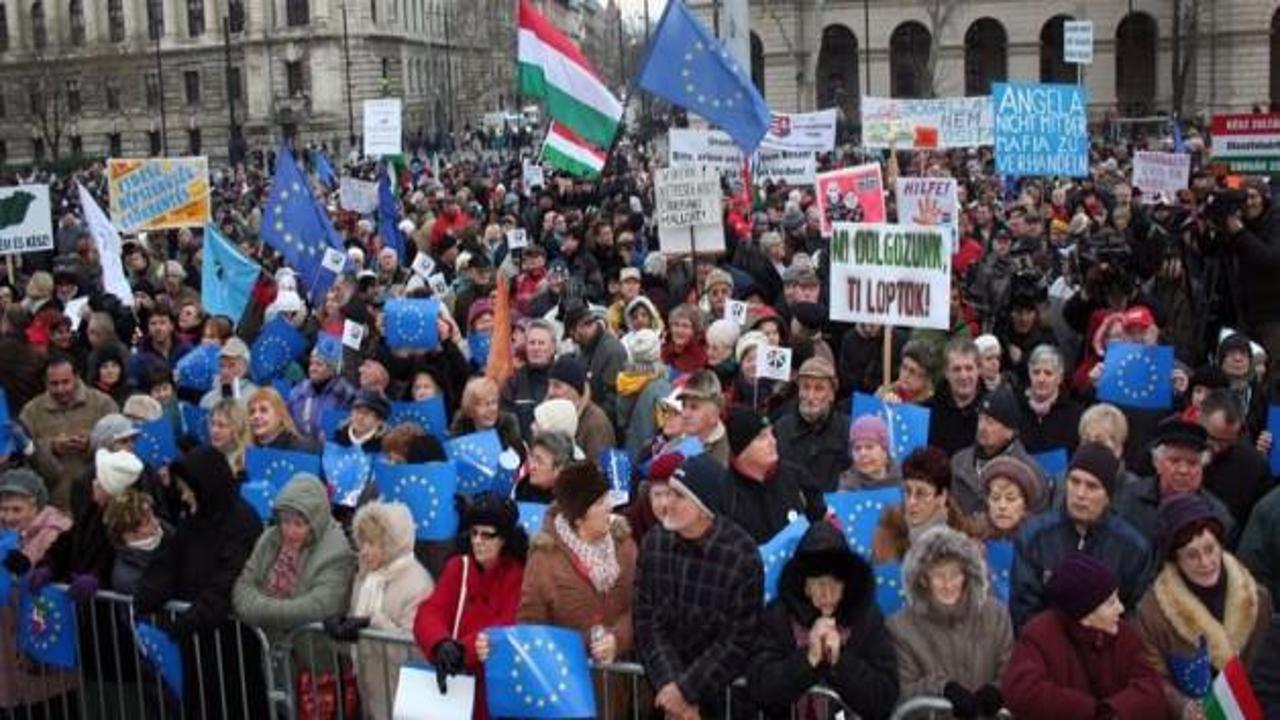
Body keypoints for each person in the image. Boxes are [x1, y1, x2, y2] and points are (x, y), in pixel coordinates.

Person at [135, 447, 263, 719]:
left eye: (187, 489)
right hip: (197, 641)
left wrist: (183, 624)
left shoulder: (241, 521)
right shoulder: (194, 518)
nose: (184, 495)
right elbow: (169, 561)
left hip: (231, 645)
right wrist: (146, 595)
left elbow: (227, 581)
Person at [634, 453, 763, 719]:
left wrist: (687, 691)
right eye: (667, 493)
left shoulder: (742, 555)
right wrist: (672, 690)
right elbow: (646, 621)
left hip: (722, 699)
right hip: (664, 695)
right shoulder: (653, 543)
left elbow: (738, 638)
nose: (666, 503)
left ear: (704, 508)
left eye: (678, 496)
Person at [1135, 493, 1273, 719]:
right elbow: (1152, 676)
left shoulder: (1258, 599)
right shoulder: (1153, 613)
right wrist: (1183, 707)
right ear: (1175, 561)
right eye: (1192, 556)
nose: (1206, 563)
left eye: (1210, 549)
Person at [518, 462, 637, 718]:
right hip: (568, 694)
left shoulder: (624, 545)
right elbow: (531, 630)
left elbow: (642, 608)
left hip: (622, 691)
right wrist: (582, 645)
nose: (609, 508)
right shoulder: (545, 559)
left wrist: (618, 638)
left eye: (607, 499)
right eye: (599, 503)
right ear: (579, 517)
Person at [748, 520, 900, 720]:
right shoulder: (778, 616)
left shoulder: (867, 617)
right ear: (805, 585)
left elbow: (884, 697)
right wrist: (808, 659)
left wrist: (840, 660)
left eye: (835, 583)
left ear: (847, 584)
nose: (827, 594)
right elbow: (760, 689)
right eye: (819, 584)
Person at [1002, 553, 1166, 720]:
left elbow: (1151, 688)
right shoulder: (1039, 634)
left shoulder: (1123, 635)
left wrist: (1114, 712)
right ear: (1085, 613)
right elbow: (1022, 691)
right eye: (1110, 603)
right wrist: (1089, 710)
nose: (1121, 608)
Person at [1010, 443, 1153, 630]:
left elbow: (1132, 615)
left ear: (1108, 496)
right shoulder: (1034, 537)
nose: (1080, 494)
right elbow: (1024, 610)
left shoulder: (1132, 548)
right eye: (1074, 481)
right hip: (1047, 650)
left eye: (1092, 487)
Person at [413, 493, 527, 720]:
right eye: (474, 533)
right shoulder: (458, 567)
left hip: (498, 690)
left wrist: (463, 650)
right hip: (459, 688)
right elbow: (431, 610)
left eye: (487, 535)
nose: (477, 541)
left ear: (505, 539)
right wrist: (440, 644)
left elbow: (507, 626)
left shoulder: (518, 576)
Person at [888, 526, 1013, 718]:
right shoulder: (900, 628)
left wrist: (996, 691)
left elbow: (1012, 671)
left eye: (955, 574)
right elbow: (902, 689)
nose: (948, 584)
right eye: (939, 575)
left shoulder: (995, 615)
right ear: (923, 579)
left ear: (967, 575)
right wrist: (942, 689)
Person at [329, 501, 434, 720]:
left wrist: (373, 624)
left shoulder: (418, 584)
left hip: (405, 696)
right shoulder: (366, 576)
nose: (364, 551)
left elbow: (414, 651)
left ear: (392, 544)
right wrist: (341, 629)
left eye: (373, 543)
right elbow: (356, 624)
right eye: (362, 542)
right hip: (371, 689)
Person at [0, 468, 76, 715]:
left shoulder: (55, 531)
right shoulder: (6, 537)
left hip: (45, 652)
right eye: (3, 509)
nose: (7, 516)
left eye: (16, 509)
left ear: (36, 507)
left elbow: (42, 571)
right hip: (10, 656)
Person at [19, 353, 118, 509]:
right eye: (54, 384)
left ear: (77, 377)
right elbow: (23, 453)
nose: (60, 389)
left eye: (66, 382)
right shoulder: (31, 411)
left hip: (97, 503)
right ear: (45, 383)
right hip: (52, 505)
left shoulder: (102, 403)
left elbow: (120, 446)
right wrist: (52, 447)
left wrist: (90, 444)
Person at [1113, 419, 1235, 542]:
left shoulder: (1217, 516)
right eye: (1174, 461)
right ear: (1157, 463)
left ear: (1202, 467)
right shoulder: (1127, 500)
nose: (1183, 470)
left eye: (1192, 463)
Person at [723, 407, 825, 544]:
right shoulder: (728, 495)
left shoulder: (795, 475)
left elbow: (820, 517)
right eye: (762, 438)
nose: (773, 441)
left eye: (771, 434)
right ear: (742, 450)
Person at [950, 385, 1045, 516]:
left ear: (1010, 431)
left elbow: (1037, 521)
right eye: (981, 419)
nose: (983, 427)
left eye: (991, 422)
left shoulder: (1029, 473)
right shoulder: (959, 462)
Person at [873, 446, 973, 563]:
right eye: (907, 491)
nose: (911, 501)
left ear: (942, 497)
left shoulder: (963, 538)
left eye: (921, 494)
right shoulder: (889, 534)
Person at [772, 357, 850, 491]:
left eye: (819, 389)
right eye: (805, 387)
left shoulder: (847, 428)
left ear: (832, 394)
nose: (810, 396)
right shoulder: (781, 428)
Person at [1197, 388, 1271, 528]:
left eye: (1227, 441)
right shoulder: (1175, 448)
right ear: (1199, 417)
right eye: (1212, 439)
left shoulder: (1253, 466)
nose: (1217, 448)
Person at [563, 301, 627, 425]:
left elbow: (613, 400)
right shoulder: (586, 348)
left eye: (573, 335)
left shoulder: (612, 352)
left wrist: (586, 420)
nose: (573, 341)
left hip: (603, 424)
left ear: (581, 327)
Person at [546, 354, 616, 462]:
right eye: (549, 385)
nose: (550, 392)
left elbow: (598, 471)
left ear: (576, 390)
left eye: (557, 386)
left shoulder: (595, 423)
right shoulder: (552, 417)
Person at [617, 328, 673, 460]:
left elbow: (621, 421)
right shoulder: (661, 387)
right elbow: (666, 427)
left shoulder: (625, 380)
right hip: (650, 457)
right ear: (657, 352)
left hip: (630, 450)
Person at [1019, 345, 1083, 455]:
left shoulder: (1075, 413)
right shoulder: (1016, 408)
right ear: (1029, 374)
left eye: (1048, 373)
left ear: (1059, 378)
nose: (1041, 379)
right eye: (1036, 372)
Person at [287, 344, 357, 443]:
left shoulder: (346, 394)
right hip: (301, 450)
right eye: (311, 364)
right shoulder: (298, 392)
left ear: (332, 369)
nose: (313, 369)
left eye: (319, 364)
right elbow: (288, 421)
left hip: (332, 450)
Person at [927, 339, 985, 455]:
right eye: (957, 369)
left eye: (969, 368)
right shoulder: (927, 411)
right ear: (946, 372)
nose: (963, 376)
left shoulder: (992, 412)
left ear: (978, 370)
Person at [973, 455, 1047, 540]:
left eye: (1011, 499)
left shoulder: (1040, 541)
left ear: (1025, 505)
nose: (1002, 506)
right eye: (995, 498)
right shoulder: (971, 538)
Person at [456, 376, 524, 456]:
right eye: (485, 404)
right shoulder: (460, 429)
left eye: (494, 402)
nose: (492, 409)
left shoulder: (508, 427)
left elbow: (520, 458)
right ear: (471, 409)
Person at [676, 370, 730, 466]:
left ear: (714, 413)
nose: (684, 414)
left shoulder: (723, 454)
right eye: (684, 405)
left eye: (694, 407)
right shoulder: (679, 438)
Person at [247, 387, 321, 453]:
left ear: (280, 415)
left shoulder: (303, 449)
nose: (256, 416)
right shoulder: (246, 452)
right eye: (252, 412)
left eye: (263, 410)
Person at [837, 415, 901, 491]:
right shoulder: (847, 488)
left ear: (884, 450)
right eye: (857, 448)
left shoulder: (905, 478)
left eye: (869, 447)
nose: (862, 453)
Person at [516, 430, 575, 504]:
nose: (531, 466)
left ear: (559, 469)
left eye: (540, 462)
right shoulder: (524, 484)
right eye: (532, 457)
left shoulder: (565, 506)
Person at [199, 338, 258, 409]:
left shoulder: (256, 396)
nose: (225, 371)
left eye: (232, 365)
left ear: (245, 367)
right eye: (222, 366)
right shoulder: (208, 399)